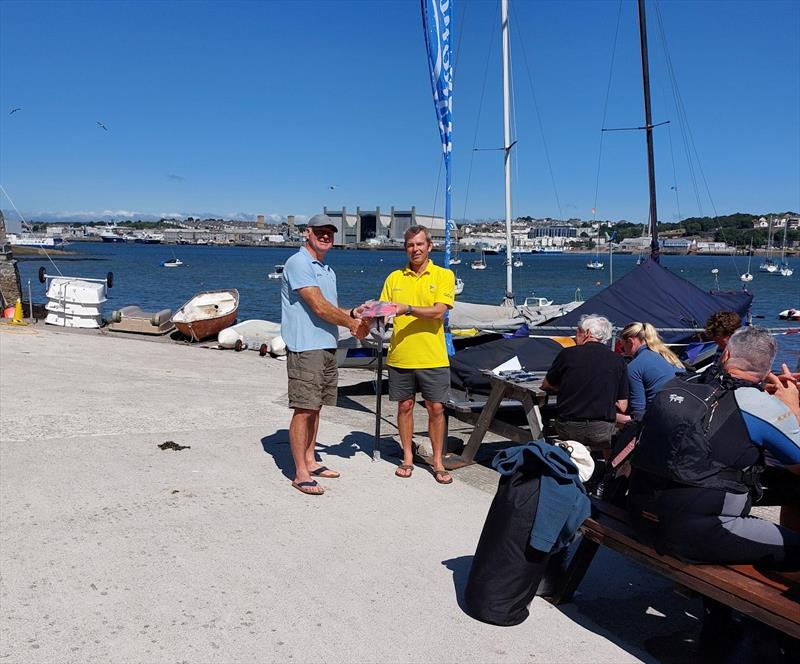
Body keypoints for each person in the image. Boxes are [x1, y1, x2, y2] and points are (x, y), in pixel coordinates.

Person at [628, 326, 800, 566]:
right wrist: (792, 408)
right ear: (768, 370)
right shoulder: (762, 407)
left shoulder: (681, 384)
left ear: (726, 355)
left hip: (640, 514)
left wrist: (763, 395)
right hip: (696, 534)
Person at [281, 214, 368, 496]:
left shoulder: (327, 270)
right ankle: (300, 473)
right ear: (308, 233)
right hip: (306, 347)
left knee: (315, 407)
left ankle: (310, 459)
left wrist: (355, 313)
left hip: (326, 346)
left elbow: (332, 310)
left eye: (330, 232)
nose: (325, 236)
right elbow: (318, 307)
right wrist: (353, 324)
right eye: (320, 231)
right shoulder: (299, 263)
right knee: (304, 408)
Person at [371, 225, 455, 484]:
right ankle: (407, 457)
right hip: (401, 355)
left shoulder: (443, 275)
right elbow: (383, 312)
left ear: (430, 246)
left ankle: (438, 462)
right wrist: (369, 314)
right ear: (405, 248)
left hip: (433, 356)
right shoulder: (394, 278)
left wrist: (407, 309)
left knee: (436, 408)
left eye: (420, 244)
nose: (415, 249)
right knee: (405, 406)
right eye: (410, 245)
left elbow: (439, 311)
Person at [542, 314, 629, 453]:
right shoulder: (618, 360)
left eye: (577, 332)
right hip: (602, 431)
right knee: (616, 437)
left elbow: (546, 384)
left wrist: (568, 388)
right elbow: (623, 405)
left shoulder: (567, 354)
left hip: (568, 428)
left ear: (587, 333)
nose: (575, 337)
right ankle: (609, 471)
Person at [618, 321, 685, 421]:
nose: (624, 353)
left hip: (661, 419)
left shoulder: (634, 367)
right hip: (683, 411)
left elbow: (639, 412)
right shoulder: (670, 357)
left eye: (623, 348)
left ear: (630, 342)